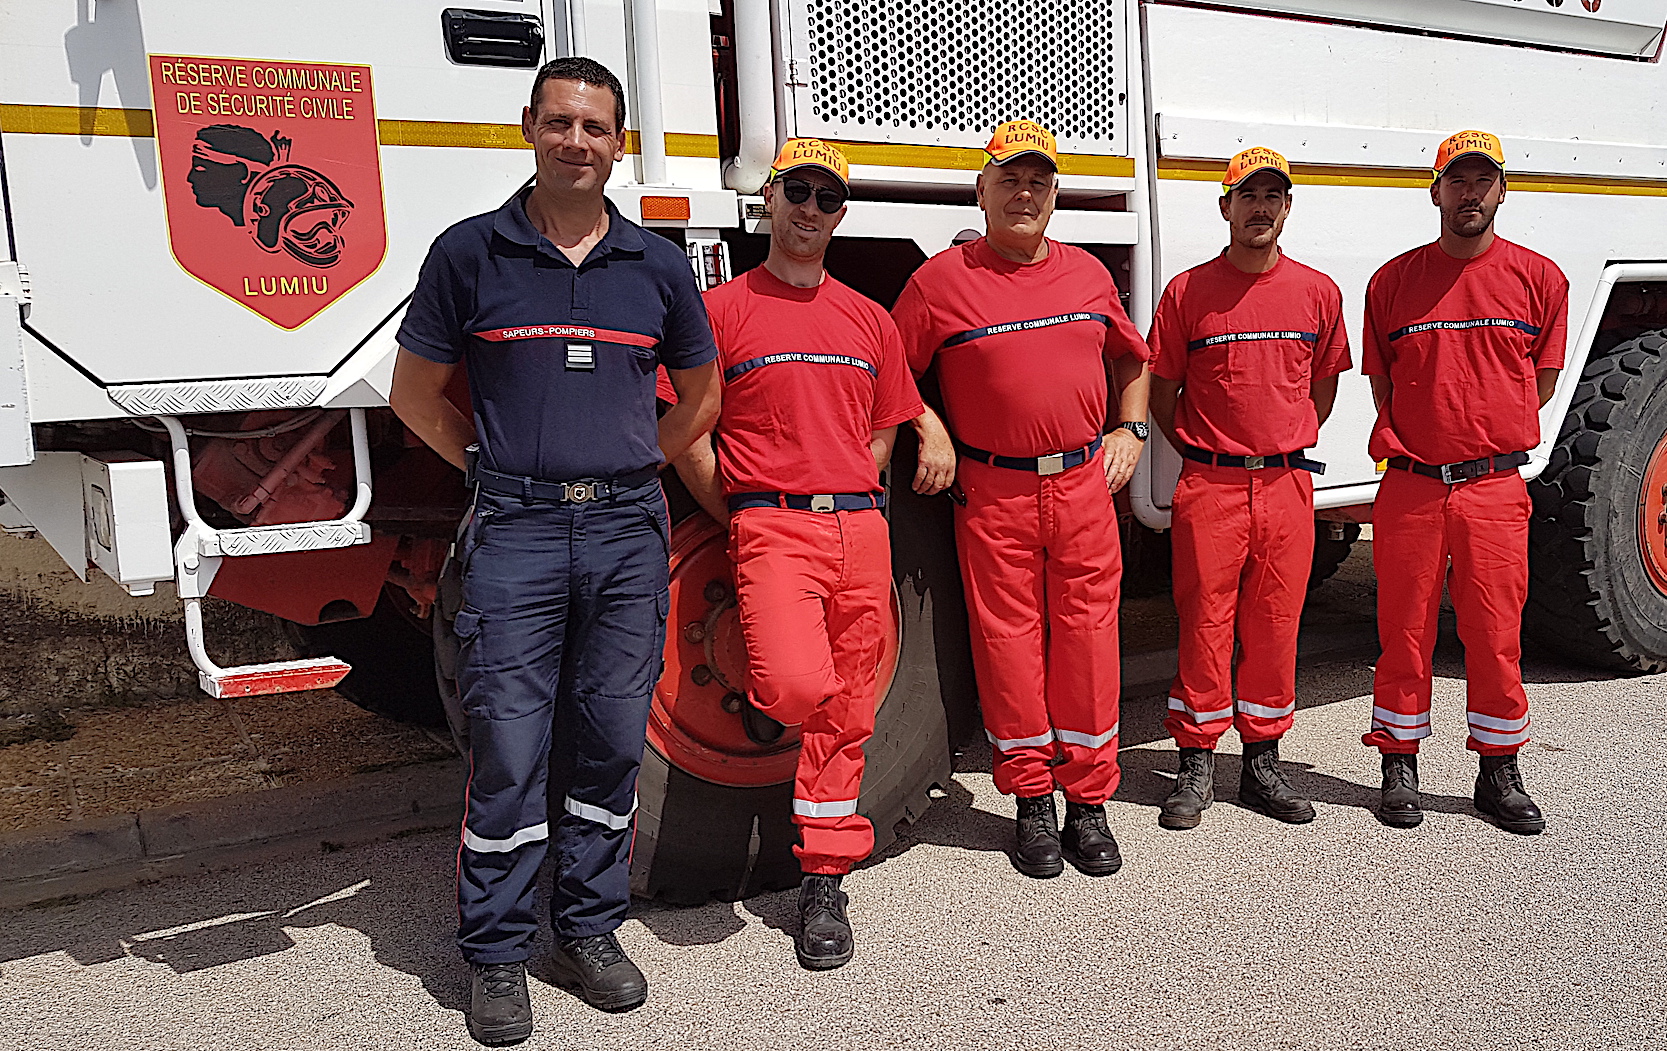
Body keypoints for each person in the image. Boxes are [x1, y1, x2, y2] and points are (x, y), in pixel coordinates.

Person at [388, 57, 720, 1045]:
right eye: (561, 122)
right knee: (510, 749)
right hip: (517, 532)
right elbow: (415, 395)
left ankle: (586, 928)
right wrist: (493, 466)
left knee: (611, 741)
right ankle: (494, 950)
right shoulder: (468, 255)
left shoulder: (656, 267)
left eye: (597, 128)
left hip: (625, 533)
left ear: (619, 144)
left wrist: (625, 465)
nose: (578, 141)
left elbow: (699, 401)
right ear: (529, 126)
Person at [672, 138, 952, 969]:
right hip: (769, 527)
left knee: (851, 707)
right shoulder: (721, 311)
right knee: (797, 686)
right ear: (769, 198)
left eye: (827, 197)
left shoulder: (868, 318)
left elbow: (883, 427)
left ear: (840, 214)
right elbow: (686, 431)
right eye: (797, 190)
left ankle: (825, 878)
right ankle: (803, 757)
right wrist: (746, 512)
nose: (810, 208)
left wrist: (847, 499)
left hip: (859, 526)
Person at [892, 120, 1150, 879]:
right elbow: (889, 373)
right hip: (992, 488)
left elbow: (1132, 361)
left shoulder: (1086, 274)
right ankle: (1031, 801)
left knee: (1089, 644)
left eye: (1037, 181)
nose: (1024, 194)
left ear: (1054, 195)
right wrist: (929, 426)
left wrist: (1129, 428)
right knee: (1006, 649)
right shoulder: (937, 282)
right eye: (1008, 180)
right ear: (981, 189)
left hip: (1080, 485)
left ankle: (1089, 802)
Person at [1362, 130, 1566, 835]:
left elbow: (1538, 380)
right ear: (1435, 191)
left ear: (1500, 191)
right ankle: (1397, 761)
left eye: (1482, 180)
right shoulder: (1391, 281)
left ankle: (1498, 769)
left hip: (1492, 486)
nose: (1469, 192)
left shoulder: (1539, 279)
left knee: (1493, 633)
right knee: (1403, 632)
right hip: (1412, 484)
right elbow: (1381, 381)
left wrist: (1482, 434)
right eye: (1457, 179)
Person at [1145, 147, 1351, 830]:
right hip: (1210, 484)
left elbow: (1322, 389)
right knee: (1204, 624)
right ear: (1224, 207)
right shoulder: (1186, 292)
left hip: (1286, 483)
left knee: (1273, 627)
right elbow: (1162, 392)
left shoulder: (1317, 291)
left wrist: (1277, 444)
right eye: (1247, 195)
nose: (1259, 208)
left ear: (1285, 208)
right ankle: (1195, 760)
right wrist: (1210, 455)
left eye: (1272, 197)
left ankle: (1261, 760)